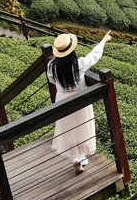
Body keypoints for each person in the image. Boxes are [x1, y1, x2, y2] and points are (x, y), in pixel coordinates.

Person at [47, 31, 111, 172]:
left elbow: (52, 80)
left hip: (62, 99)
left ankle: (75, 157)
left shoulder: (51, 66)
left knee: (68, 128)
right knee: (81, 127)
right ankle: (81, 156)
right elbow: (94, 56)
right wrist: (103, 41)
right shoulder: (79, 64)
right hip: (79, 99)